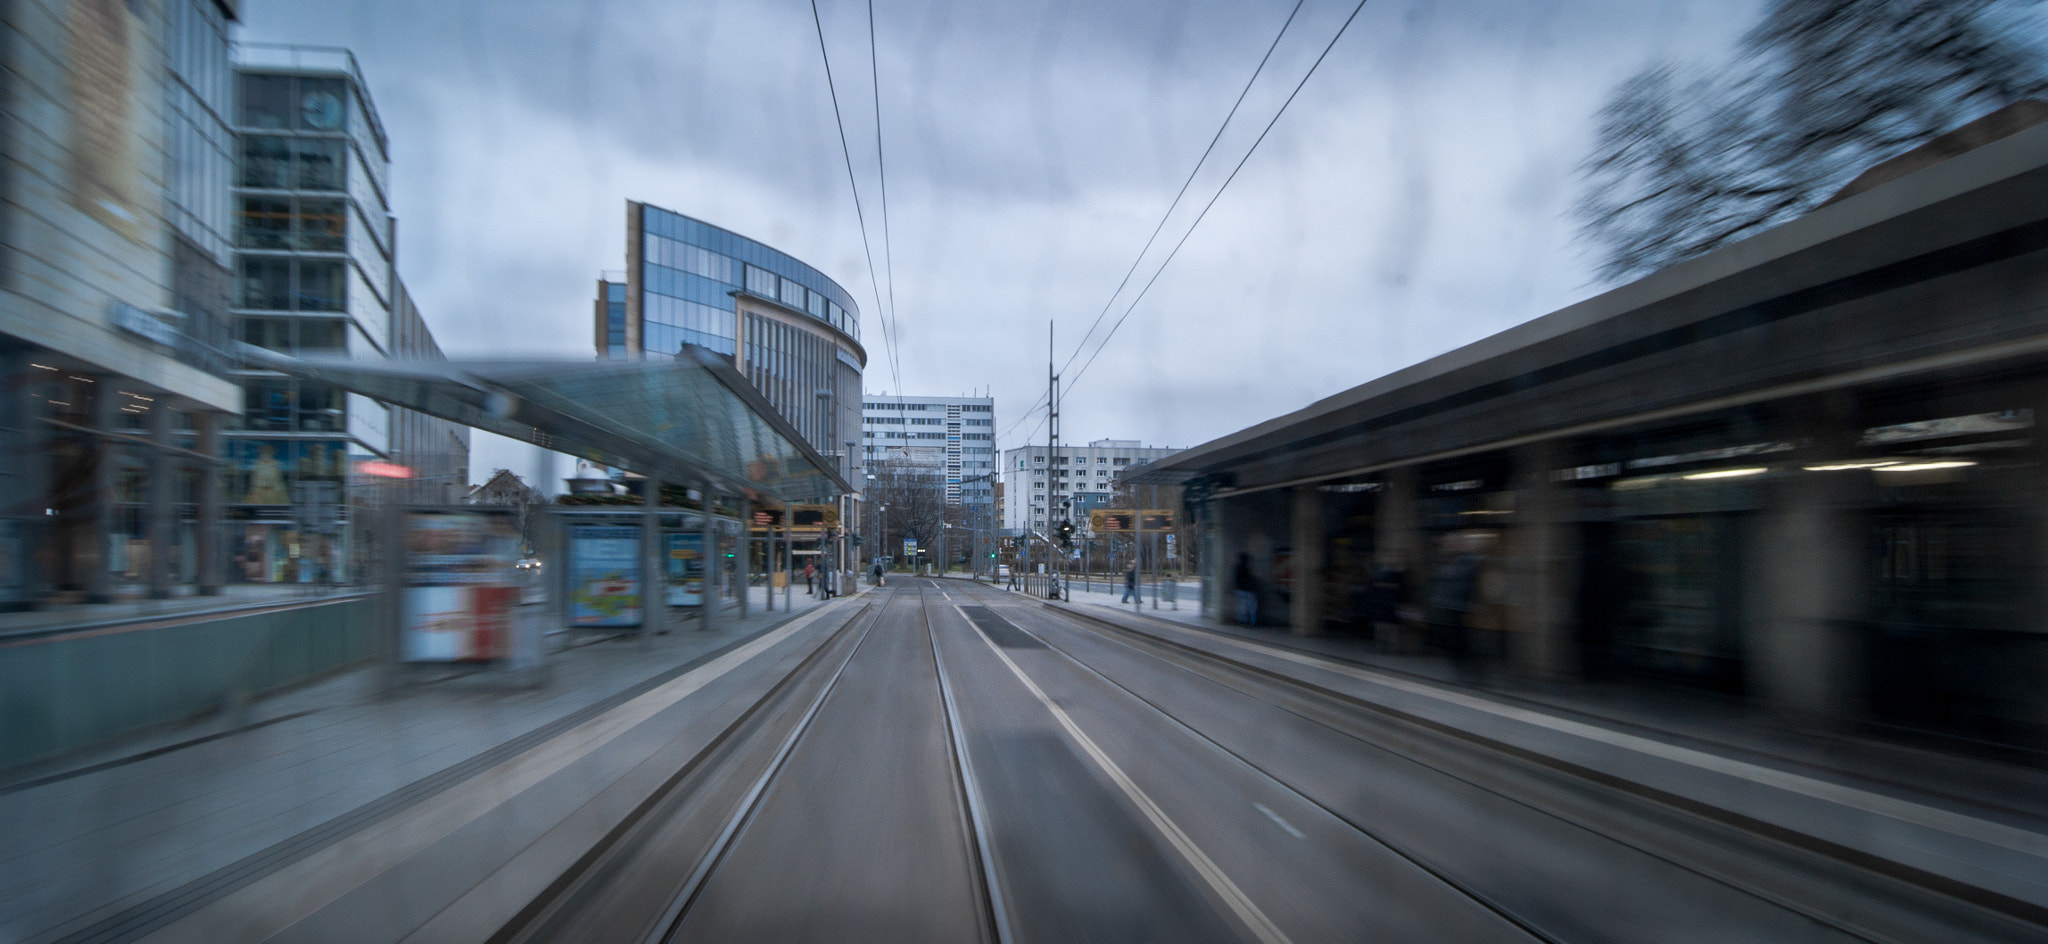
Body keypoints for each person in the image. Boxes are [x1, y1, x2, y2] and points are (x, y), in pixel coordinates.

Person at [1233, 553, 1259, 626]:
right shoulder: (1244, 568)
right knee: (1249, 606)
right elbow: (1246, 579)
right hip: (1245, 590)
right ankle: (1250, 621)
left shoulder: (1238, 567)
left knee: (1242, 606)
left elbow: (1236, 579)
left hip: (1240, 589)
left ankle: (1242, 620)